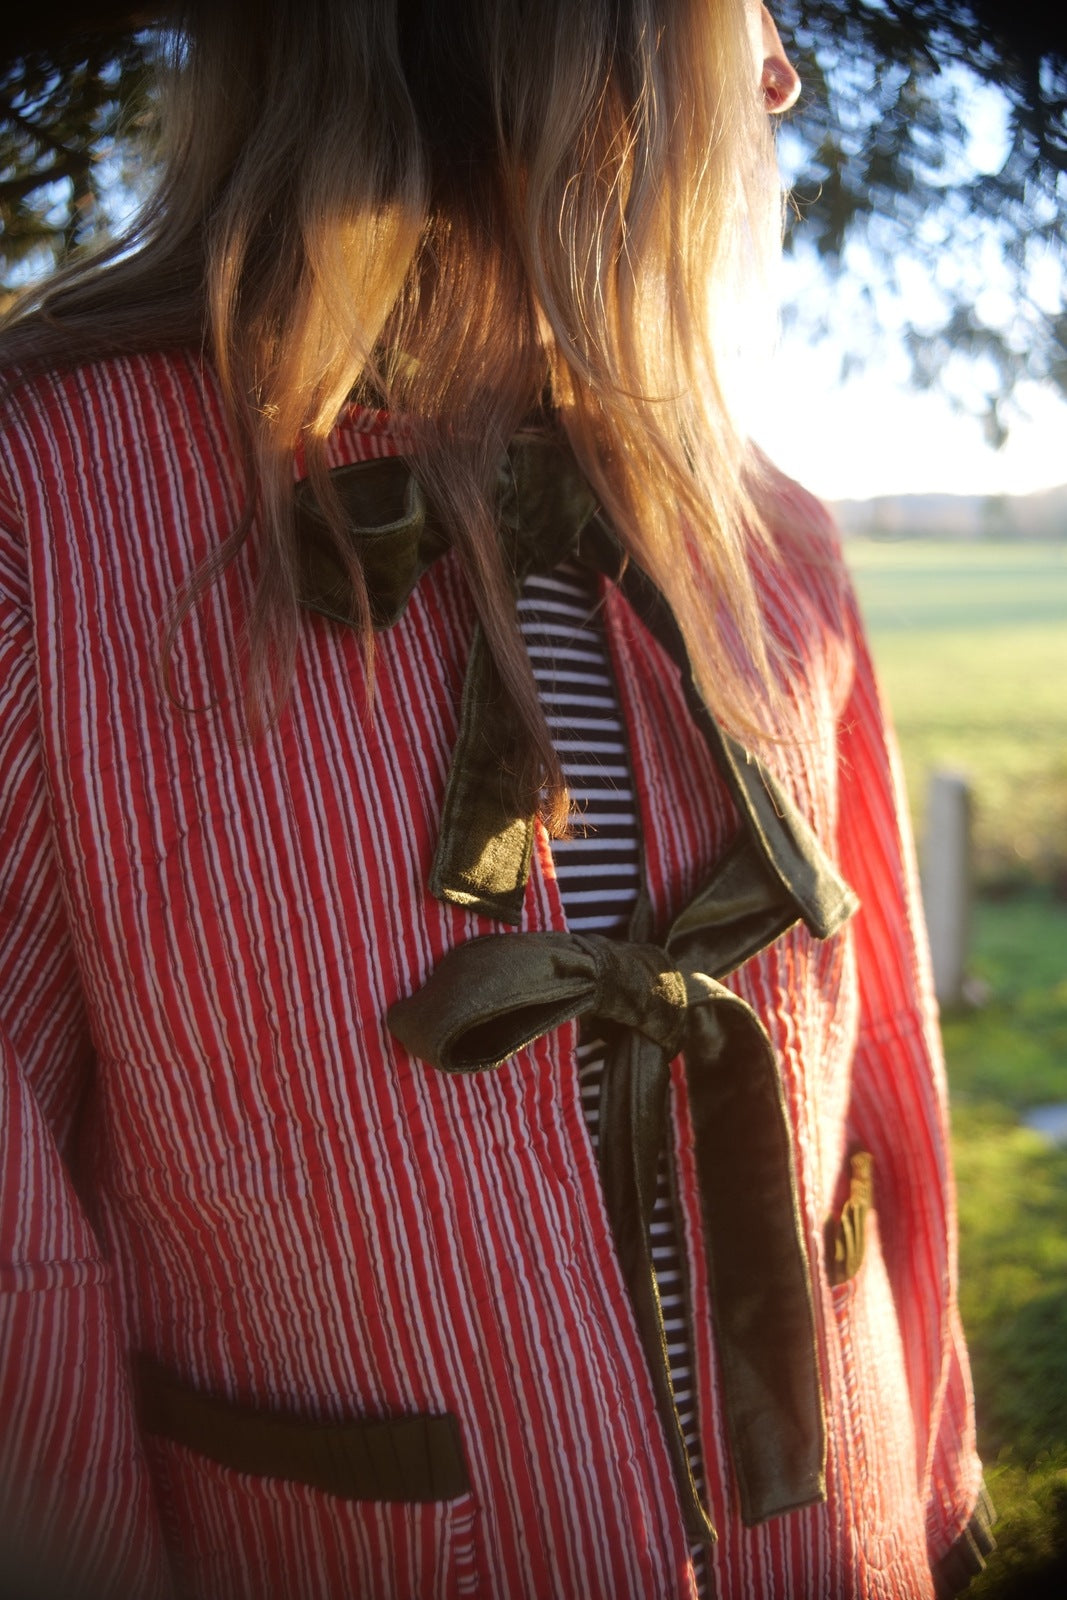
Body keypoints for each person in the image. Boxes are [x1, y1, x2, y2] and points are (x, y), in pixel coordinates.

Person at [0, 2, 993, 1596]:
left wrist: (928, 1480)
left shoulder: (775, 542)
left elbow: (880, 1072)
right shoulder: (50, 517)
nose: (781, 71)